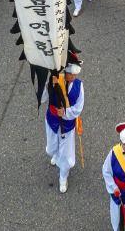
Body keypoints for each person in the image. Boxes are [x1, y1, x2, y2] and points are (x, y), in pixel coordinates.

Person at [44, 62, 84, 194]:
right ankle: (55, 154)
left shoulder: (79, 86)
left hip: (67, 125)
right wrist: (47, 84)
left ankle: (63, 177)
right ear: (65, 72)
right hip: (52, 120)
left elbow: (78, 107)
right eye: (71, 74)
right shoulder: (54, 80)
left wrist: (66, 113)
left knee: (66, 156)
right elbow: (43, 98)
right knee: (51, 149)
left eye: (75, 74)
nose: (74, 77)